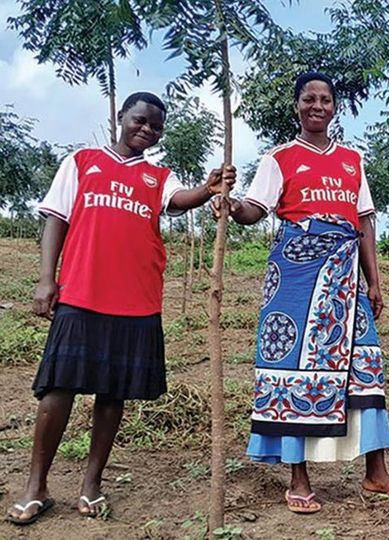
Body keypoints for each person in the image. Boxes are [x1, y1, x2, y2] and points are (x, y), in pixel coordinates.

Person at [5, 92, 236, 525]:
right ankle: (36, 487)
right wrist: (46, 278)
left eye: (155, 126)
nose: (147, 130)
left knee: (113, 395)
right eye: (141, 120)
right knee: (58, 388)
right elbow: (56, 218)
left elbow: (180, 199)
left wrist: (209, 188)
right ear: (121, 117)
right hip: (80, 293)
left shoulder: (156, 176)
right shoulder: (82, 162)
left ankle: (91, 486)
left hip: (135, 300)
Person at [212, 72, 389, 514]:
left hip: (346, 275)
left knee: (364, 365)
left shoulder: (352, 160)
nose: (317, 105)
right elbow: (255, 209)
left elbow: (364, 223)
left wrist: (375, 280)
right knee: (292, 366)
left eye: (325, 99)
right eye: (308, 99)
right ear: (297, 106)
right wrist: (232, 205)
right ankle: (298, 475)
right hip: (296, 274)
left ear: (334, 107)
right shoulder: (279, 158)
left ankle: (376, 472)